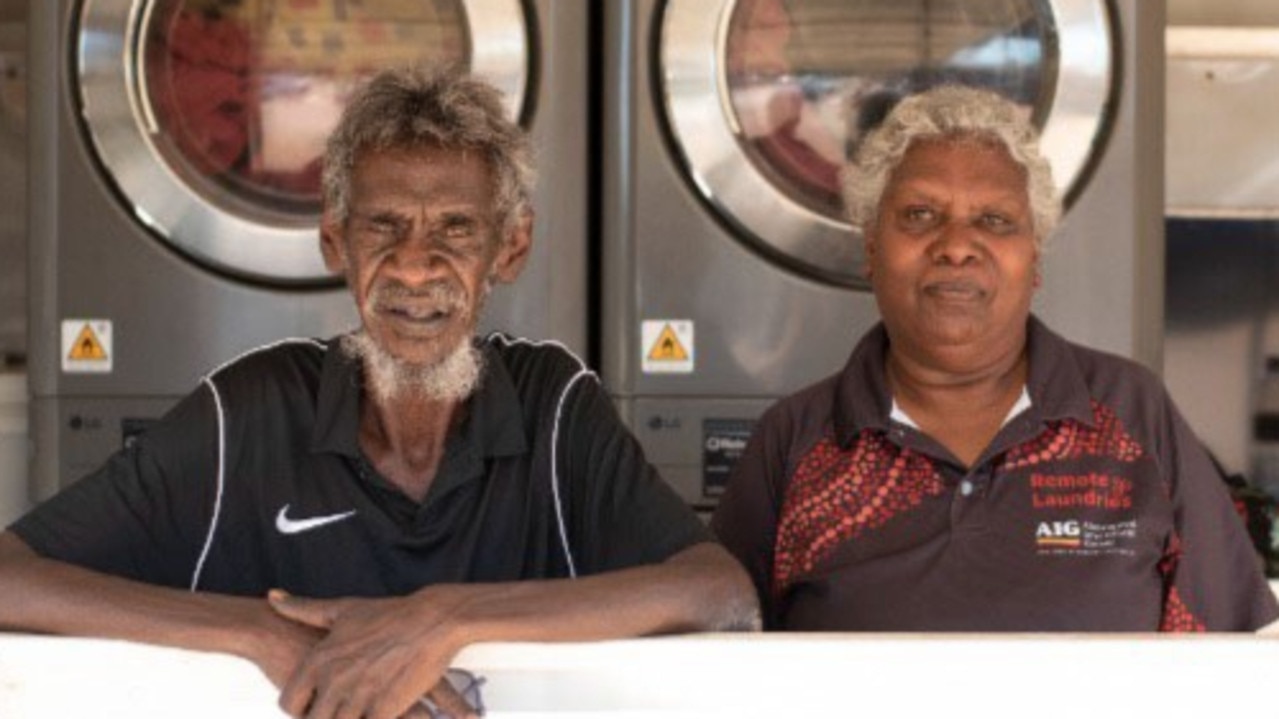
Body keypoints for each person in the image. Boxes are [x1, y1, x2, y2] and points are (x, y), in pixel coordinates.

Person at [0, 66, 758, 719]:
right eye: (383, 228)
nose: (416, 266)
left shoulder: (553, 410)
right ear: (336, 241)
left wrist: (438, 618)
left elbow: (720, 595)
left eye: (456, 230)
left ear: (510, 247)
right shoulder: (250, 413)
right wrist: (258, 631)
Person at [712, 84, 1279, 632]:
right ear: (871, 250)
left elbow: (1224, 651)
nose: (956, 245)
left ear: (1034, 261)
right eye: (920, 215)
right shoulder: (795, 440)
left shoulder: (1131, 411)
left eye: (994, 220)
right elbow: (717, 664)